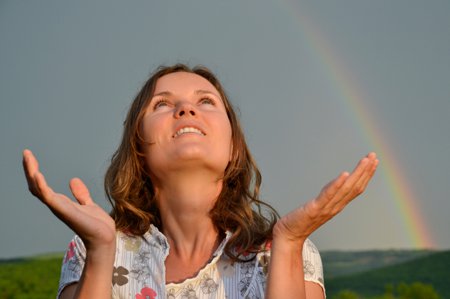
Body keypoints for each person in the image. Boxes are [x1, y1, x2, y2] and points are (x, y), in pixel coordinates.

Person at [23, 64, 378, 299]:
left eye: (205, 101)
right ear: (138, 147)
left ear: (234, 148)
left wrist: (289, 243)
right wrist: (101, 253)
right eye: (162, 104)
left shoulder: (287, 253)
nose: (186, 110)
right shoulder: (89, 249)